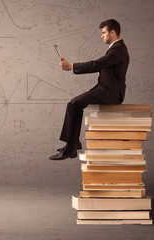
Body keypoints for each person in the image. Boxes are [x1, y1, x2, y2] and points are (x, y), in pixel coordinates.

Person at [49, 19, 129, 160]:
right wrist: (71, 66)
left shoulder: (118, 50)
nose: (101, 35)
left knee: (73, 104)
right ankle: (73, 143)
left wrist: (71, 66)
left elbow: (97, 64)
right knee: (76, 105)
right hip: (106, 90)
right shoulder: (116, 49)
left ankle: (70, 148)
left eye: (104, 32)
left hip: (110, 93)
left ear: (113, 32)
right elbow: (100, 66)